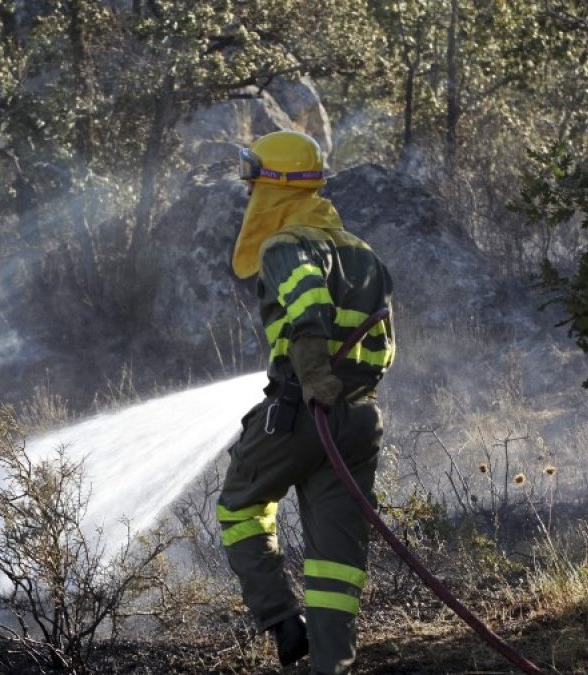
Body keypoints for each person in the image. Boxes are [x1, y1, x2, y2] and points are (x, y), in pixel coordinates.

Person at [217, 130, 395, 674]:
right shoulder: (360, 251)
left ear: (275, 186)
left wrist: (314, 377)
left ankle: (280, 620)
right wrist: (345, 391)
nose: (249, 194)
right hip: (359, 418)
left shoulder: (286, 244)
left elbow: (308, 309)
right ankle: (331, 665)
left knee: (241, 506)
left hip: (303, 410)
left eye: (254, 181)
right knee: (336, 558)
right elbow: (384, 338)